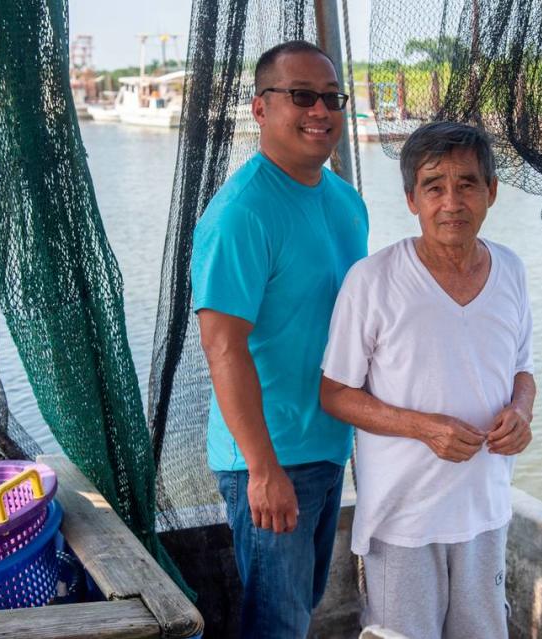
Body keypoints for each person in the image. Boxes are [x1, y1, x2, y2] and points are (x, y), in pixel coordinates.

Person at [320, 122, 536, 639]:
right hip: (404, 518)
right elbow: (334, 394)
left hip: (485, 510)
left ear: (492, 192)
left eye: (467, 184)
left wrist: (523, 411)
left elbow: (523, 370)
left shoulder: (512, 269)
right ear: (412, 199)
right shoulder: (372, 280)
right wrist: (424, 428)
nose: (452, 201)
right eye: (434, 187)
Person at [191, 40, 368, 638]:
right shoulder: (242, 212)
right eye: (301, 96)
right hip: (268, 461)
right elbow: (222, 345)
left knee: (302, 608)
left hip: (326, 446)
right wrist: (263, 469)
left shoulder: (347, 202)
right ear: (260, 109)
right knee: (276, 624)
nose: (319, 110)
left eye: (330, 97)